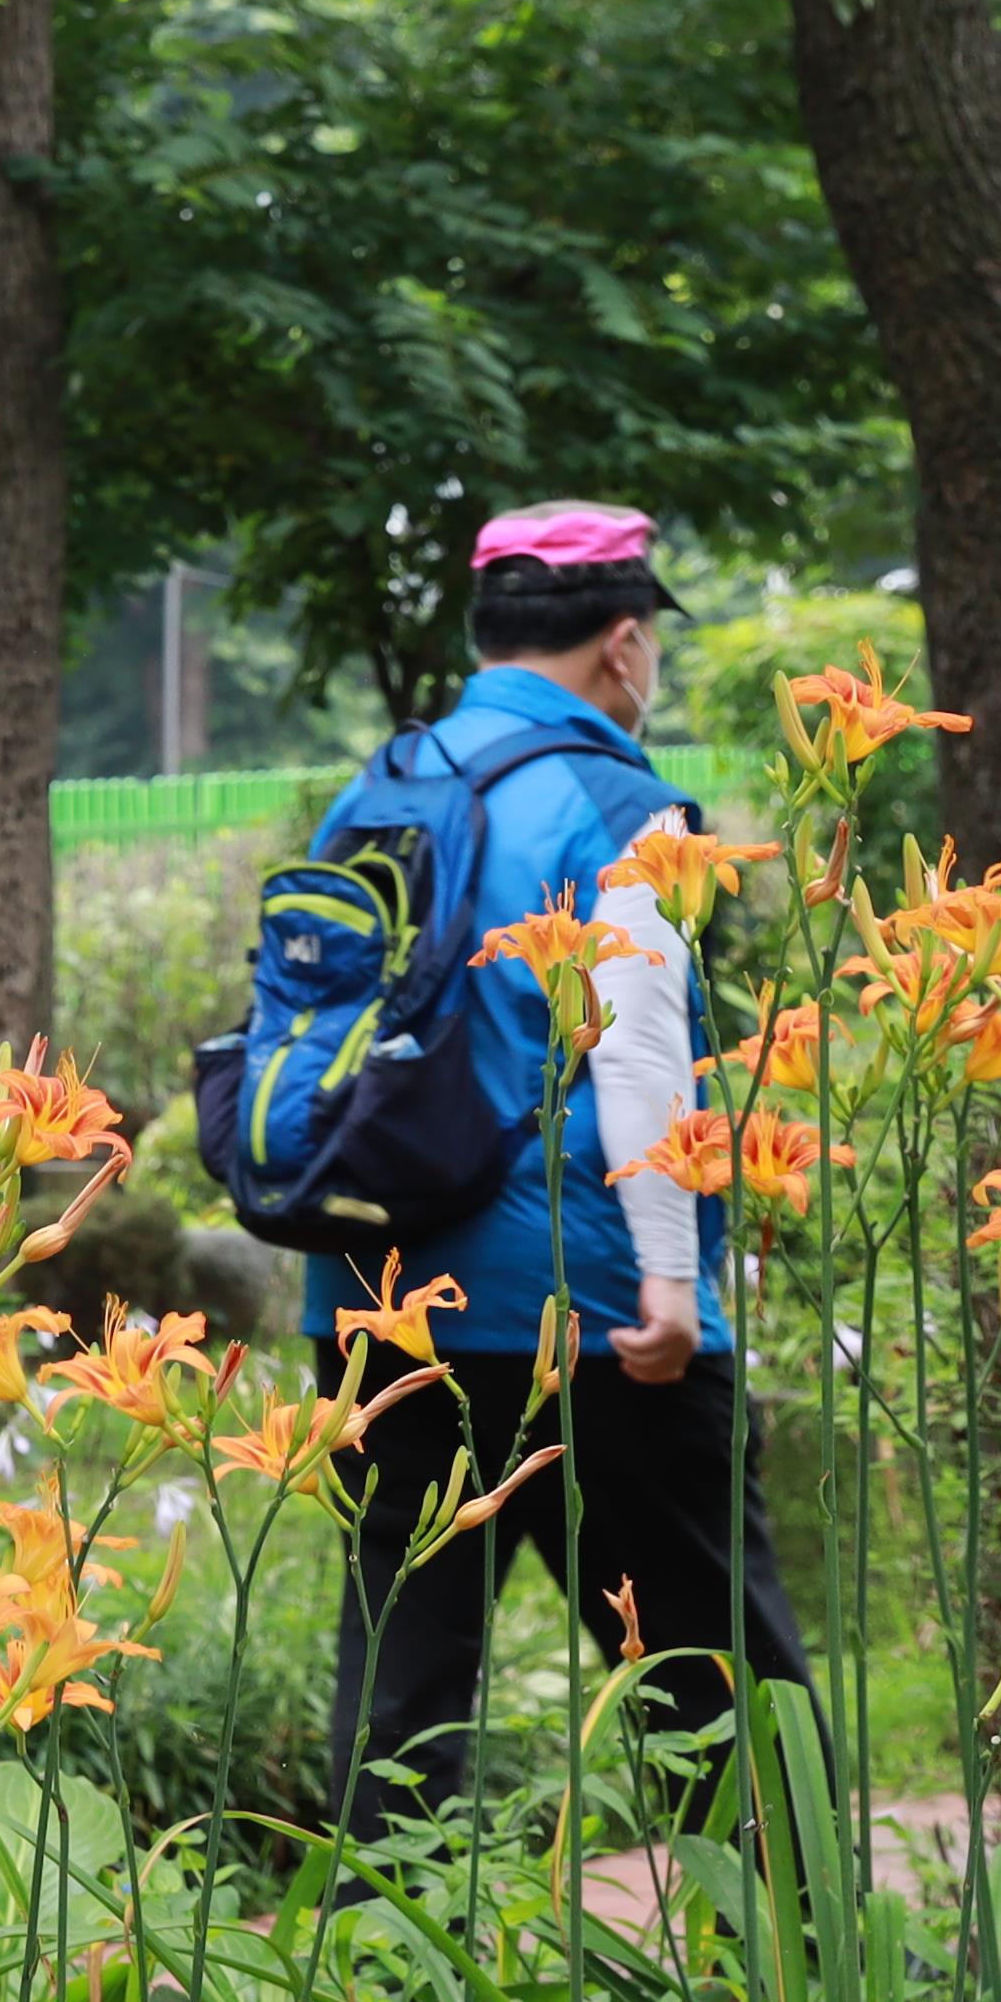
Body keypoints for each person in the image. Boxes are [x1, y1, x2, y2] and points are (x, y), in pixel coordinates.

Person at [306, 502, 813, 1845]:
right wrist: (671, 1284)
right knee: (719, 1677)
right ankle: (806, 1947)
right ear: (624, 644)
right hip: (590, 1314)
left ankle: (370, 1955)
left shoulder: (380, 788)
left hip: (380, 1302)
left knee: (401, 1691)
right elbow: (636, 1047)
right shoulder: (622, 806)